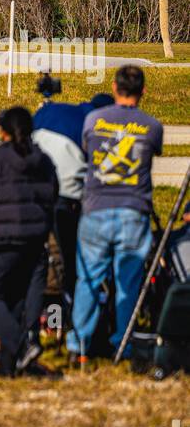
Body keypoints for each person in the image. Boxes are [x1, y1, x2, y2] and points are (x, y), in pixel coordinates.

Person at [67, 64, 164, 363]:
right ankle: (123, 343)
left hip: (96, 208)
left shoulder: (94, 120)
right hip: (133, 211)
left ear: (113, 87)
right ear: (143, 91)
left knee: (89, 279)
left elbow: (87, 149)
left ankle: (78, 345)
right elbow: (153, 154)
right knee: (128, 283)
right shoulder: (152, 126)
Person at [0, 105, 58, 378]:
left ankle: (21, 345)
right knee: (15, 300)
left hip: (4, 239)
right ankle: (7, 367)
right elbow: (52, 194)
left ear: (4, 131)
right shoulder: (42, 159)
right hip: (34, 238)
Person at [32, 90, 113, 304]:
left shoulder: (54, 110)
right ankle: (58, 315)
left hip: (31, 190)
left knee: (40, 261)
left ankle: (42, 319)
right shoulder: (95, 124)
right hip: (64, 197)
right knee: (65, 261)